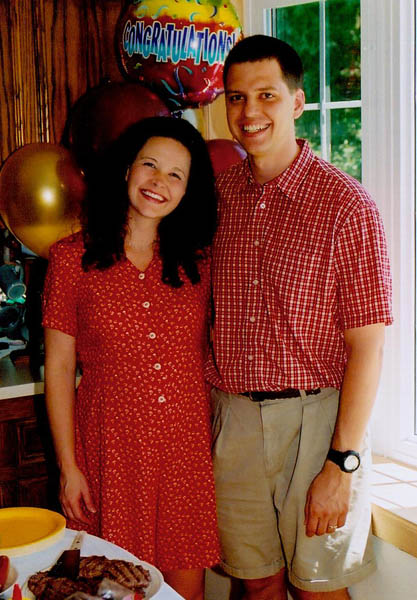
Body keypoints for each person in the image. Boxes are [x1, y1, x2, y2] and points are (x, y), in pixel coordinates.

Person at [205, 35, 393, 600]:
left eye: (266, 95)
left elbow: (368, 347)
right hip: (234, 419)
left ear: (297, 102)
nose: (250, 112)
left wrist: (342, 463)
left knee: (318, 590)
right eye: (236, 98)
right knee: (256, 586)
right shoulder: (217, 199)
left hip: (318, 424)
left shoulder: (347, 206)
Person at [43, 116, 220, 600]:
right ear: (126, 170)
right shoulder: (71, 259)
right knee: (114, 589)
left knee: (185, 594)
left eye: (176, 174)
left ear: (187, 191)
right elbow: (58, 369)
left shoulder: (201, 262)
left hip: (184, 455)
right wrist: (68, 467)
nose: (159, 181)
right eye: (150, 165)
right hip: (109, 452)